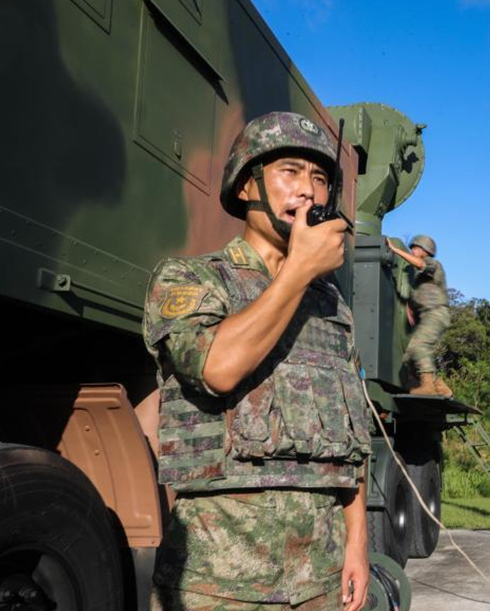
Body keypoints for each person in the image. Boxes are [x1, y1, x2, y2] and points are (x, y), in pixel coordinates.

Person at [143, 111, 372, 611]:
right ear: (247, 186)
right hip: (219, 581)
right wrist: (296, 275)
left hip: (321, 576)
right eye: (290, 171)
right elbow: (217, 369)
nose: (308, 191)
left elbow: (353, 446)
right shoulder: (192, 278)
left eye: (319, 179)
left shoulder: (333, 307)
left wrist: (357, 544)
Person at [385, 235, 452, 397]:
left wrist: (395, 250)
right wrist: (409, 308)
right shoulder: (419, 278)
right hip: (428, 316)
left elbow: (420, 264)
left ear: (425, 250)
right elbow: (417, 296)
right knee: (409, 356)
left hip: (436, 313)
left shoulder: (432, 264)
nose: (413, 251)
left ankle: (427, 386)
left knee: (419, 347)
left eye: (416, 248)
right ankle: (439, 386)